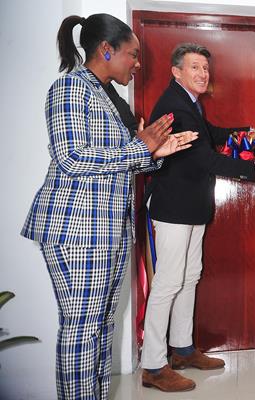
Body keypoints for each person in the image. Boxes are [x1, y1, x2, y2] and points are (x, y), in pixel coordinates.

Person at [20, 14, 197, 400]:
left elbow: (121, 159)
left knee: (100, 328)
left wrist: (155, 154)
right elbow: (72, 158)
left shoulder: (106, 96)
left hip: (108, 229)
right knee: (83, 330)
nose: (137, 63)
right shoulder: (70, 88)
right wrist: (140, 148)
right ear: (106, 49)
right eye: (132, 55)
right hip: (78, 229)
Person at [140, 43, 255, 392]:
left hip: (192, 206)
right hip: (173, 208)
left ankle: (183, 349)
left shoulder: (189, 102)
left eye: (205, 68)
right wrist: (253, 169)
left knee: (189, 276)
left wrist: (246, 132)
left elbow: (211, 134)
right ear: (177, 71)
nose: (203, 74)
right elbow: (204, 159)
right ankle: (153, 365)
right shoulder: (174, 104)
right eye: (195, 67)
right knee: (169, 281)